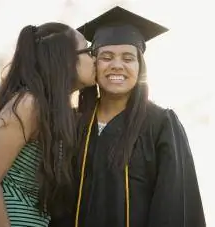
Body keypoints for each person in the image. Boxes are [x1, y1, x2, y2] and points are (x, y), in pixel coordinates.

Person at [0, 22, 96, 227]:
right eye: (88, 51)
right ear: (65, 59)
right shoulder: (29, 104)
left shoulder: (57, 114)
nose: (95, 57)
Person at [75, 6, 206, 227]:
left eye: (128, 58)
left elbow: (174, 206)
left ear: (140, 67)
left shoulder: (161, 125)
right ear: (94, 65)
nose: (117, 65)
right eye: (106, 57)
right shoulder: (73, 125)